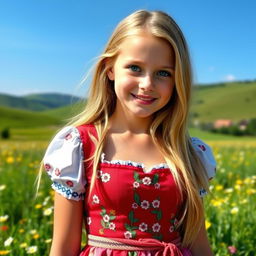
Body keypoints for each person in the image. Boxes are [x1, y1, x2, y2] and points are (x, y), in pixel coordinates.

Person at [41, 9, 216, 256]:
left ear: (178, 80)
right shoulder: (82, 146)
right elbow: (62, 249)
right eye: (135, 68)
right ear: (110, 68)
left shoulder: (186, 152)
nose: (147, 84)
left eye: (163, 73)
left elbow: (199, 245)